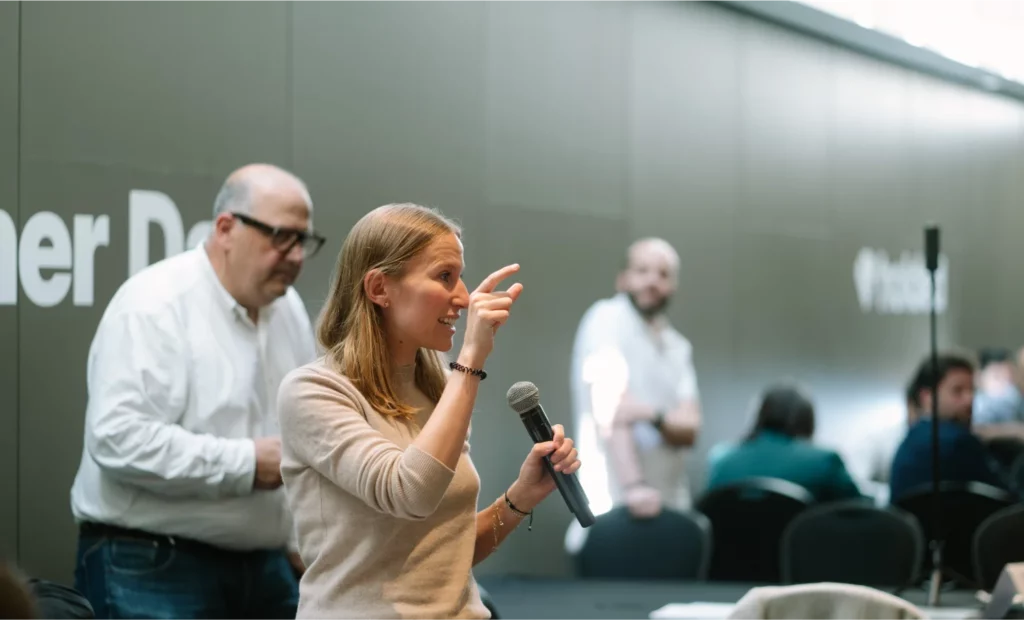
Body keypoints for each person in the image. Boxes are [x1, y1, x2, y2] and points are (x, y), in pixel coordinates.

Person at [276, 203, 581, 619]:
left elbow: (447, 556)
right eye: (444, 277)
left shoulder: (437, 388)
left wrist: (521, 497)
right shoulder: (313, 391)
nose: (463, 297)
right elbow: (409, 493)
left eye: (460, 277)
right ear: (379, 288)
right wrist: (470, 358)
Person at [69, 164, 325, 619]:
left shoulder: (286, 311)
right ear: (226, 228)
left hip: (264, 566)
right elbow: (117, 438)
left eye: (303, 240)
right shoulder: (154, 304)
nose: (295, 256)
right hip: (150, 564)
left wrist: (297, 541)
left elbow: (296, 438)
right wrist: (246, 463)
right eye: (281, 236)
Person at [568, 238, 701, 532]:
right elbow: (612, 410)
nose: (653, 280)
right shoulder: (606, 319)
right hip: (618, 499)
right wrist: (635, 486)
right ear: (622, 279)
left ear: (674, 285)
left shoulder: (678, 346)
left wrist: (651, 414)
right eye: (642, 270)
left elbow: (691, 430)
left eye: (663, 274)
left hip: (672, 501)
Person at [705, 384, 863, 502]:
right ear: (807, 420)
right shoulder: (824, 461)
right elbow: (858, 508)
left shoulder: (722, 459)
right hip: (801, 545)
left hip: (732, 546)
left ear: (759, 416)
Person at [889, 353, 1011, 502]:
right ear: (927, 397)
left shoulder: (912, 438)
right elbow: (1009, 498)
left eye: (972, 390)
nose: (969, 399)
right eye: (957, 391)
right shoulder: (958, 441)